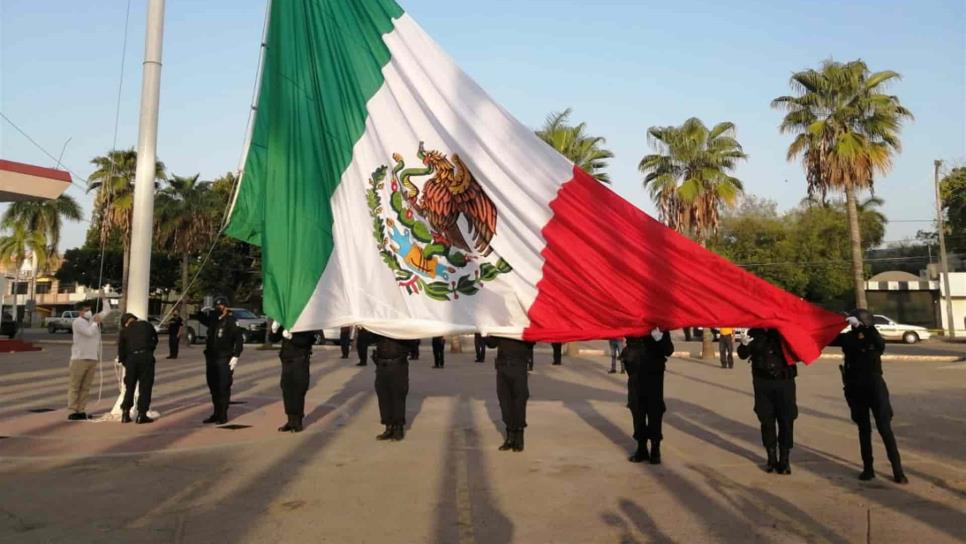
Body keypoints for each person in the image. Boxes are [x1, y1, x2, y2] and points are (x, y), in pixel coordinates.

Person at [835, 309, 908, 484]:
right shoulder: (848, 338)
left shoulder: (874, 337)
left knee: (884, 428)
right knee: (863, 429)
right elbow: (830, 338)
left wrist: (864, 328)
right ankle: (868, 469)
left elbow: (878, 342)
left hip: (874, 386)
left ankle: (898, 471)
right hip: (855, 387)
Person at [738, 328, 798, 475]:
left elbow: (798, 352)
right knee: (766, 419)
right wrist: (744, 345)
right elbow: (742, 355)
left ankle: (784, 460)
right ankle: (771, 458)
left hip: (784, 382)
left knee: (786, 420)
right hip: (762, 383)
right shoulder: (754, 332)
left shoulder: (785, 330)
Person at [622, 329, 674, 464]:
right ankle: (641, 448)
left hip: (653, 374)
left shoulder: (659, 325)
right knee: (637, 409)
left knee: (654, 410)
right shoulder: (632, 322)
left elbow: (669, 350)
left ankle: (655, 450)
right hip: (635, 372)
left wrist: (659, 337)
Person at [358, 329, 414, 441]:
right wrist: (363, 329)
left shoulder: (403, 326)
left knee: (398, 395)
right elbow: (367, 340)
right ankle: (388, 427)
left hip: (398, 365)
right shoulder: (379, 328)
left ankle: (398, 428)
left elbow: (413, 342)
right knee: (383, 396)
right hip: (382, 366)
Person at [197, 296, 244, 424]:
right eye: (216, 306)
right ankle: (216, 413)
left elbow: (239, 339)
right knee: (213, 387)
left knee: (223, 387)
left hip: (224, 359)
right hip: (211, 358)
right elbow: (200, 318)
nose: (218, 308)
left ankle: (223, 414)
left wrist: (236, 356)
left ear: (226, 307)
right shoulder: (214, 320)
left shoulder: (231, 321)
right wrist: (200, 310)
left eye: (221, 306)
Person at [486, 336, 534, 452]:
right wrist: (484, 333)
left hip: (518, 366)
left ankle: (519, 437)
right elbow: (491, 344)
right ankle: (510, 437)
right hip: (502, 367)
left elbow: (531, 341)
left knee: (519, 401)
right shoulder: (500, 325)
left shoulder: (522, 323)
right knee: (504, 402)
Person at [268, 322, 317, 433]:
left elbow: (307, 341)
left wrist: (292, 337)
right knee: (287, 390)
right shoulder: (286, 320)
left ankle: (298, 422)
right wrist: (274, 330)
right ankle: (290, 421)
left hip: (299, 360)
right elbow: (273, 339)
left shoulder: (305, 321)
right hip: (286, 361)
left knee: (298, 389)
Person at [67, 298, 110, 421]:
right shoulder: (78, 322)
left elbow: (106, 311)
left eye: (89, 310)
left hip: (92, 358)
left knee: (86, 386)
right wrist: (96, 323)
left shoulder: (92, 320)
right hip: (79, 358)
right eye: (86, 310)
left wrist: (105, 299)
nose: (89, 312)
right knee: (75, 386)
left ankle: (81, 409)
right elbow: (89, 333)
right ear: (80, 312)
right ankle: (72, 409)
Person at [117, 313, 159, 424]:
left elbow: (121, 350)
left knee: (129, 387)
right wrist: (149, 350)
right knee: (145, 386)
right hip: (146, 357)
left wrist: (125, 361)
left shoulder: (124, 331)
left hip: (131, 359)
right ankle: (142, 414)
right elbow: (155, 339)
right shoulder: (146, 325)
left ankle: (125, 413)